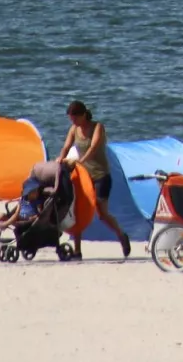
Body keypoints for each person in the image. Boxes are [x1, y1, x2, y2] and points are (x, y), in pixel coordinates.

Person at [57, 101, 130, 258]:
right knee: (76, 211)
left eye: (75, 118)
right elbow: (66, 147)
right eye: (71, 119)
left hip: (101, 175)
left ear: (83, 115)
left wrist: (78, 162)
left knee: (102, 213)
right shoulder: (73, 129)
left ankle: (121, 235)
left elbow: (93, 148)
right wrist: (60, 158)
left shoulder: (98, 127)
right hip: (84, 176)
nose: (73, 122)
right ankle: (77, 250)